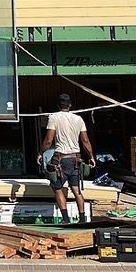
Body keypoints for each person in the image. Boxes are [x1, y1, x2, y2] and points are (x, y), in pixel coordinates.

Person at [37, 93, 96, 225]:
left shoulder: (54, 118)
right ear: (70, 105)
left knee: (57, 187)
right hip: (76, 159)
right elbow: (85, 140)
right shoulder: (78, 119)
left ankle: (65, 219)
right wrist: (91, 156)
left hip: (61, 159)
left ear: (58, 105)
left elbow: (48, 140)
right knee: (76, 189)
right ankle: (82, 219)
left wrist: (41, 152)